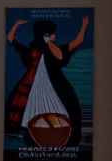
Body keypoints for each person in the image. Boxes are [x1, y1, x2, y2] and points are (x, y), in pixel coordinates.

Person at [5, 16, 90, 147]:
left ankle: (50, 139)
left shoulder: (47, 50)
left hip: (46, 87)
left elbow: (10, 38)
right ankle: (43, 139)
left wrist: (16, 25)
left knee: (51, 115)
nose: (54, 35)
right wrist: (84, 24)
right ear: (45, 35)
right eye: (51, 33)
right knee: (43, 116)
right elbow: (10, 38)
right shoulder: (42, 50)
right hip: (43, 88)